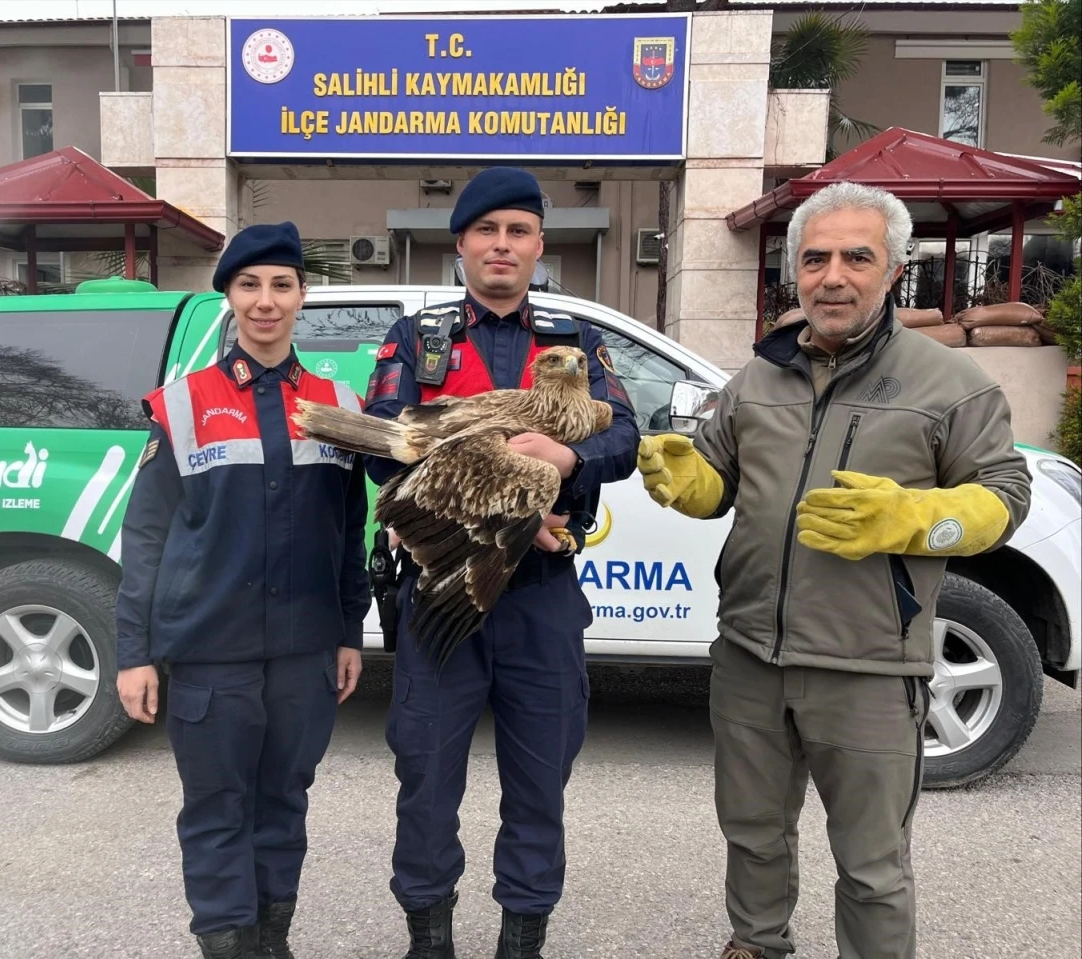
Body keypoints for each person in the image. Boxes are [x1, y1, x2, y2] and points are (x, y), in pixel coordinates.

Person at [636, 181, 1032, 959]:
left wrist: (915, 518)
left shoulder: (951, 384)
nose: (834, 276)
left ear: (894, 271)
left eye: (858, 257)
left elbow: (1005, 497)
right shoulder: (758, 377)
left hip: (870, 665)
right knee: (751, 833)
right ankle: (756, 943)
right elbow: (718, 482)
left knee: (872, 864)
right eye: (815, 259)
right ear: (796, 271)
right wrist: (688, 482)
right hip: (751, 654)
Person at [362, 167, 640, 959]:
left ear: (539, 246)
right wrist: (496, 505)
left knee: (540, 781)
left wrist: (567, 458)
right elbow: (383, 448)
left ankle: (523, 939)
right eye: (486, 230)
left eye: (518, 231)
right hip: (443, 585)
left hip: (540, 599)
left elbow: (625, 438)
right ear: (461, 244)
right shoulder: (418, 340)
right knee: (426, 780)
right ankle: (429, 939)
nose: (501, 245)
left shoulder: (574, 342)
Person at [113, 222, 372, 959]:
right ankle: (228, 944)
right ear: (228, 295)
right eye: (249, 285)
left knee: (283, 803)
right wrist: (134, 652)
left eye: (281, 285)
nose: (266, 301)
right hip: (209, 650)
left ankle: (271, 940)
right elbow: (146, 535)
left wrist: (348, 632)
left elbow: (349, 527)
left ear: (301, 296)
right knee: (217, 808)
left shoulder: (338, 405)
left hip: (304, 651)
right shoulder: (182, 403)